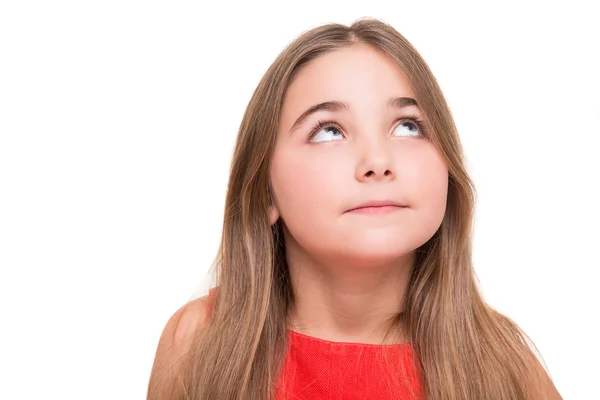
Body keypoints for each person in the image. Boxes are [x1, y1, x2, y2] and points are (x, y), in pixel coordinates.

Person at [146, 17, 562, 400]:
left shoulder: (505, 364)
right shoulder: (198, 342)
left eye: (408, 126)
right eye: (328, 131)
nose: (378, 162)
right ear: (265, 192)